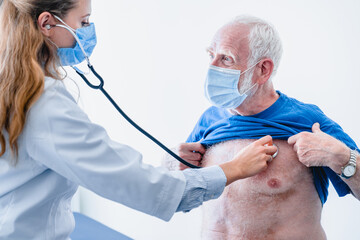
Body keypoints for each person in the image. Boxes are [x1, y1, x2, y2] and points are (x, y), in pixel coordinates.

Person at [0, 1, 278, 239]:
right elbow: (137, 183)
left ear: (264, 69)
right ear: (47, 23)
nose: (87, 32)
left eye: (226, 58)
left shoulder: (13, 86)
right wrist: (233, 169)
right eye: (83, 21)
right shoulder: (42, 102)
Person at [164, 15, 360, 239]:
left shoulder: (307, 121)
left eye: (226, 59)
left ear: (263, 70)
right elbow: (177, 197)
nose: (212, 68)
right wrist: (172, 164)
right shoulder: (209, 120)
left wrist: (342, 157)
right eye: (211, 55)